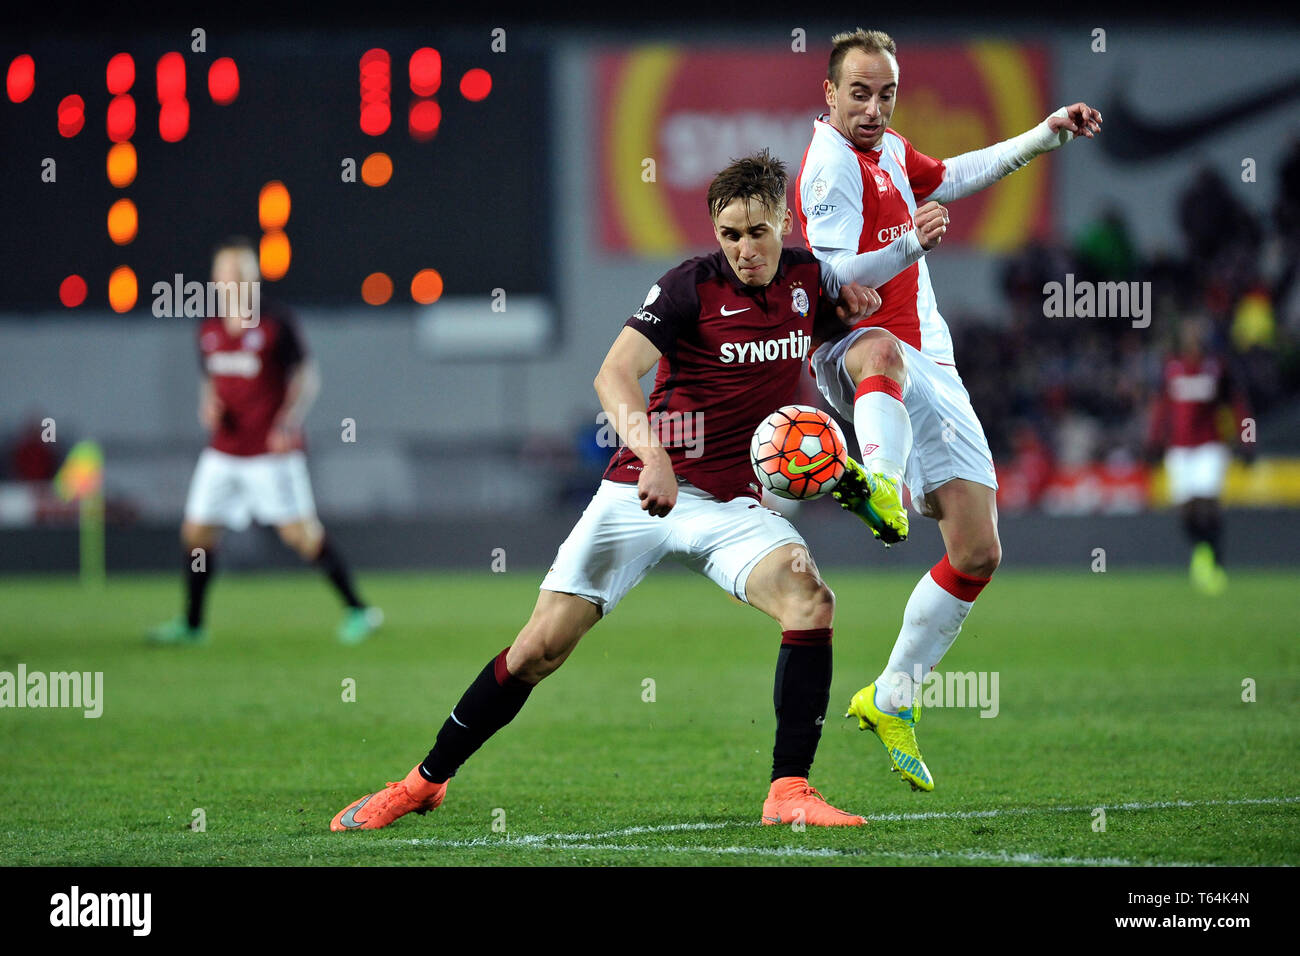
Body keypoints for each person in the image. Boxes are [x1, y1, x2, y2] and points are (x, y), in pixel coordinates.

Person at [331, 151, 881, 831]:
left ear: (784, 222)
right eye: (729, 234)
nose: (743, 248)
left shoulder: (806, 280)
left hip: (733, 505)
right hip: (640, 492)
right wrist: (653, 455)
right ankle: (422, 782)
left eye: (757, 232)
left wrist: (850, 310)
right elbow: (614, 376)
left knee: (810, 597)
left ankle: (789, 792)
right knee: (537, 651)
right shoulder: (687, 287)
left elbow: (810, 327)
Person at [795, 28, 1102, 791]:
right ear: (828, 94)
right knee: (883, 357)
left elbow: (953, 174)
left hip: (928, 358)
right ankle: (879, 484)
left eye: (885, 94)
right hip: (859, 347)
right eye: (858, 92)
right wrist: (910, 248)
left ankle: (891, 698)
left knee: (977, 551)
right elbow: (836, 278)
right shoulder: (829, 168)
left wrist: (1043, 134)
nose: (872, 107)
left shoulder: (889, 149)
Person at [148, 238, 382, 646]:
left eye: (240, 272)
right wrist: (208, 407)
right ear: (215, 279)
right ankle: (192, 624)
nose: (231, 280)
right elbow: (210, 380)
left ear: (253, 276)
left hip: (271, 454)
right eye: (225, 272)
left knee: (301, 536)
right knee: (197, 534)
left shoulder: (275, 322)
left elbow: (306, 377)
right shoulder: (208, 327)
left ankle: (359, 610)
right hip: (224, 449)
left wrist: (287, 421)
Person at [1146, 319, 1253, 595]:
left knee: (1208, 504)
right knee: (1187, 512)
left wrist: (1248, 439)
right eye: (1189, 334)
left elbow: (1238, 404)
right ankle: (1202, 551)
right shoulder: (1171, 368)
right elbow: (1161, 407)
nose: (1193, 339)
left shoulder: (1216, 367)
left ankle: (1214, 560)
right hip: (1179, 448)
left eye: (1198, 334)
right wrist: (1153, 441)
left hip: (1209, 445)